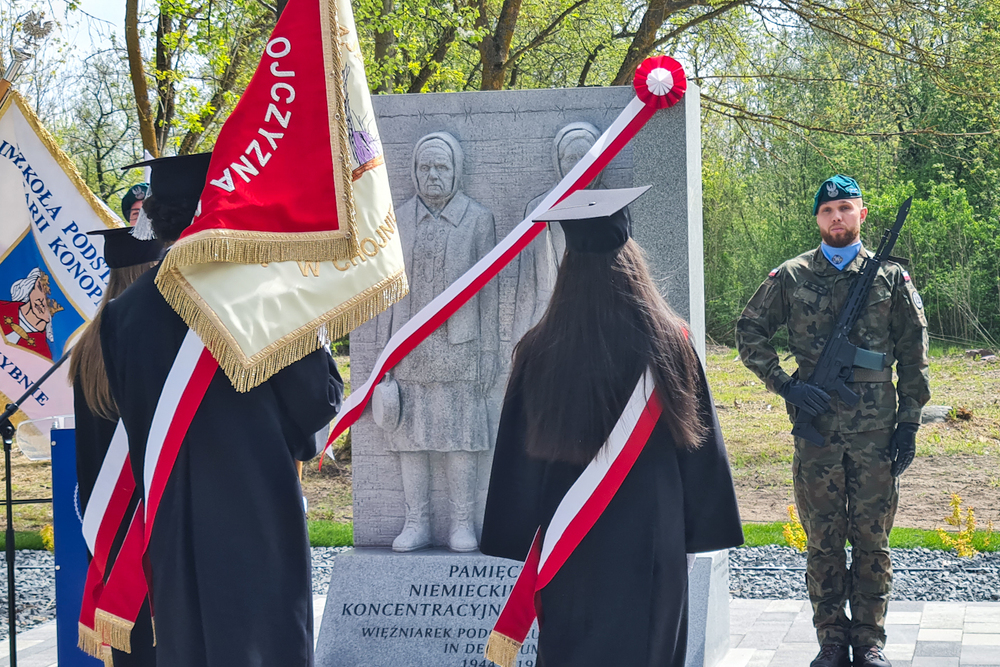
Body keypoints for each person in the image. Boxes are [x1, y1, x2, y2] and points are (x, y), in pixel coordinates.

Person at [481, 187, 743, 667]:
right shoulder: (673, 340)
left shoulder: (538, 349)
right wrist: (698, 525)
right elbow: (699, 450)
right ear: (631, 254)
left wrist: (515, 530)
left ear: (568, 261)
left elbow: (518, 462)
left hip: (571, 539)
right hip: (652, 536)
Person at [101, 153, 344, 667]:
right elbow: (316, 407)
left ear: (157, 217)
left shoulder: (123, 315)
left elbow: (134, 422)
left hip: (170, 524)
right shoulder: (267, 294)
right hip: (256, 518)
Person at [736, 175, 930, 667]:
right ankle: (831, 641)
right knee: (823, 540)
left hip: (875, 435)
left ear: (861, 215)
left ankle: (868, 642)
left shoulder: (890, 278)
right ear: (817, 220)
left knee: (871, 540)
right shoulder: (793, 276)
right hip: (817, 432)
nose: (836, 218)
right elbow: (749, 331)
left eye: (845, 208)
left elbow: (913, 354)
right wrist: (786, 385)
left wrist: (909, 422)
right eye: (827, 211)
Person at [377, 131, 499, 553]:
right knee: (412, 436)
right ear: (413, 171)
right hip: (410, 348)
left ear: (457, 171)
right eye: (425, 167)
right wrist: (384, 353)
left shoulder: (478, 220)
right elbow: (387, 290)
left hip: (461, 348)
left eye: (441, 167)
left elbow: (490, 292)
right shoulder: (399, 220)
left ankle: (462, 522)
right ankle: (417, 522)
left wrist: (489, 351)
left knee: (460, 435)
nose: (432, 175)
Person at [69, 226, 163, 667]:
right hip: (148, 519)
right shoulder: (149, 338)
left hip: (107, 518)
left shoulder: (86, 344)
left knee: (127, 646)